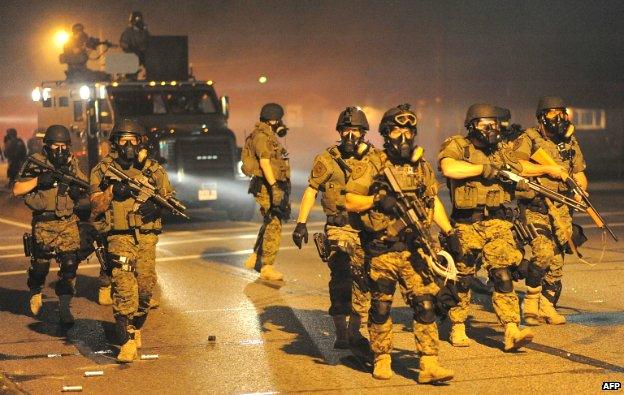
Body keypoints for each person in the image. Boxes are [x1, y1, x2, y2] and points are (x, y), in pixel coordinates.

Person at [345, 104, 456, 383]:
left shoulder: (421, 166)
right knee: (381, 306)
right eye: (397, 129)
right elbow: (350, 200)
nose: (403, 136)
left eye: (408, 130)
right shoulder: (372, 163)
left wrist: (450, 232)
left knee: (426, 304)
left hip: (415, 249)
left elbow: (433, 203)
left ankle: (429, 363)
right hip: (382, 248)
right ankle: (382, 358)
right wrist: (378, 200)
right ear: (386, 133)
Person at [438, 103, 534, 351]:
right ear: (472, 125)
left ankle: (511, 328)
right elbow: (449, 167)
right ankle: (457, 326)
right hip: (466, 222)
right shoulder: (458, 145)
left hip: (497, 222)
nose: (492, 129)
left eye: (495, 124)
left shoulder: (500, 150)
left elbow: (520, 170)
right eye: (485, 124)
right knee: (463, 277)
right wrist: (483, 169)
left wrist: (522, 183)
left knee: (502, 274)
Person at [292, 107, 377, 352]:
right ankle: (341, 332)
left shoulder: (375, 159)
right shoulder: (327, 159)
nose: (351, 136)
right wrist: (301, 223)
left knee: (364, 280)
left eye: (356, 131)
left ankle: (355, 330)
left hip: (366, 228)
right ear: (340, 132)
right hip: (339, 227)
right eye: (346, 130)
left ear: (364, 133)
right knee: (341, 275)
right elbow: (311, 189)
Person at [89, 118, 173, 363]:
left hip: (146, 236)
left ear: (140, 143)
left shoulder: (153, 170)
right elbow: (95, 206)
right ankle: (125, 340)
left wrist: (153, 207)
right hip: (119, 236)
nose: (128, 145)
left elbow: (167, 196)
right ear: (115, 142)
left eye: (133, 140)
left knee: (145, 288)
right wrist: (113, 192)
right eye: (123, 140)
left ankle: (136, 326)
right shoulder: (103, 170)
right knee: (124, 286)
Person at [513, 96, 588, 325]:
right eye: (552, 114)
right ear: (542, 117)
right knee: (543, 252)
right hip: (536, 205)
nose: (559, 119)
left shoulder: (570, 143)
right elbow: (517, 166)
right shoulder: (528, 138)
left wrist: (580, 190)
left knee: (556, 261)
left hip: (561, 206)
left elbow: (579, 174)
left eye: (561, 114)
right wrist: (548, 169)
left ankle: (547, 305)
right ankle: (532, 301)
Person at [12, 125, 88, 326]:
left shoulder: (72, 164)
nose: (60, 150)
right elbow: (17, 189)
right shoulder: (35, 162)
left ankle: (64, 307)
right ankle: (36, 290)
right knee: (40, 267)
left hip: (67, 221)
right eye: (56, 146)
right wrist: (39, 180)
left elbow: (84, 185)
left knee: (70, 265)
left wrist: (75, 189)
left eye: (64, 146)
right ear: (47, 146)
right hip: (44, 223)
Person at [243, 103, 291, 281]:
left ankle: (256, 256)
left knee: (269, 220)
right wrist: (274, 186)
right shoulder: (262, 137)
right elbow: (264, 163)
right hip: (265, 185)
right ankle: (267, 266)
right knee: (274, 222)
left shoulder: (266, 135)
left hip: (267, 184)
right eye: (279, 119)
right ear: (273, 119)